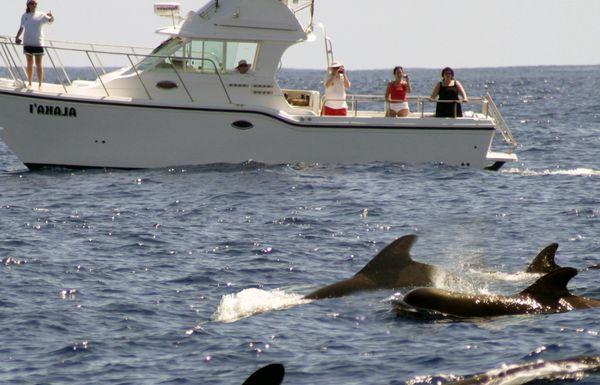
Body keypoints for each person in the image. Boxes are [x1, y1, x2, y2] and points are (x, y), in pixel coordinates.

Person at [15, 0, 54, 88]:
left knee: (38, 64)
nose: (34, 5)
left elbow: (50, 21)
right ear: (28, 5)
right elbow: (21, 28)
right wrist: (17, 37)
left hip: (38, 43)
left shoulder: (41, 15)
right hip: (27, 42)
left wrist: (51, 17)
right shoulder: (24, 16)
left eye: (35, 3)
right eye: (32, 3)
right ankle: (29, 82)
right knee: (29, 63)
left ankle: (40, 84)